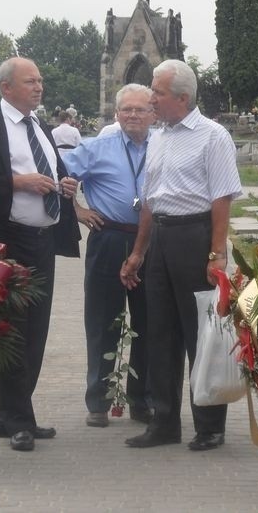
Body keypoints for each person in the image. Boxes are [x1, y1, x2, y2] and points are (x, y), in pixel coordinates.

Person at [120, 59, 242, 452]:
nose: (151, 97)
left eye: (157, 92)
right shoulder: (159, 136)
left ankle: (209, 425)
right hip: (161, 237)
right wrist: (139, 252)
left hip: (196, 235)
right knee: (160, 333)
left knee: (201, 335)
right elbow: (150, 201)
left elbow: (222, 197)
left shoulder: (213, 136)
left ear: (182, 98)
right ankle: (164, 421)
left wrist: (216, 253)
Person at [0, 57, 80, 452]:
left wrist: (62, 183)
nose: (39, 87)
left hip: (43, 239)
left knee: (37, 330)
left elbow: (49, 165)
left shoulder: (39, 126)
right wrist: (19, 182)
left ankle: (11, 413)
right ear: (5, 87)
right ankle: (19, 419)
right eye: (31, 81)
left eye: (41, 80)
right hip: (10, 240)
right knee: (13, 329)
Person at [61, 83, 155, 428]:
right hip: (109, 239)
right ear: (116, 114)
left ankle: (141, 400)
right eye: (126, 110)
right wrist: (78, 211)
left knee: (148, 322)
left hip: (149, 242)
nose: (132, 115)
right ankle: (98, 401)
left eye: (140, 109)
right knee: (102, 321)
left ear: (153, 114)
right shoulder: (96, 147)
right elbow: (61, 178)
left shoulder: (162, 146)